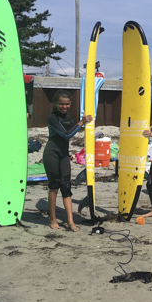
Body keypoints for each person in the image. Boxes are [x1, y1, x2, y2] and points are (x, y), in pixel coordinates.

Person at [43, 90, 91, 231]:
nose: (64, 107)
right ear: (56, 104)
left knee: (66, 186)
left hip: (64, 155)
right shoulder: (52, 118)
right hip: (51, 154)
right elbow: (67, 134)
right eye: (62, 104)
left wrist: (82, 123)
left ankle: (70, 221)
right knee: (54, 185)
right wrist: (81, 122)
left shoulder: (68, 116)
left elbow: (71, 128)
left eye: (67, 104)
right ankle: (53, 219)